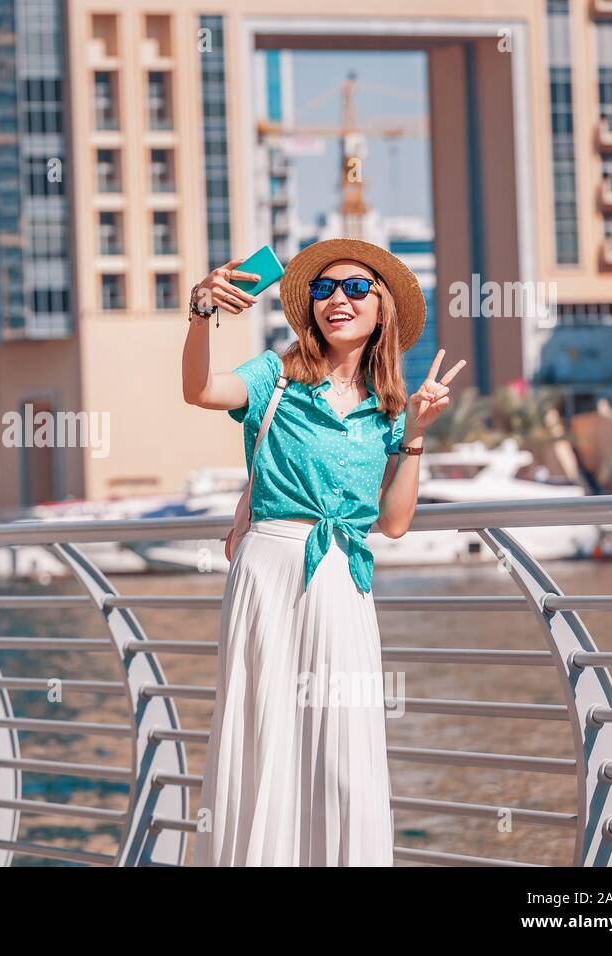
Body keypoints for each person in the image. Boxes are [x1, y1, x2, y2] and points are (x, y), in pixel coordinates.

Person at [181, 238, 464, 866]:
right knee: (263, 735)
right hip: (271, 570)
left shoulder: (386, 408)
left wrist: (415, 436)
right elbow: (199, 390)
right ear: (310, 306)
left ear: (382, 308)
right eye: (324, 288)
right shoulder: (273, 375)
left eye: (357, 288)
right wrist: (201, 313)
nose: (339, 298)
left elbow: (392, 525)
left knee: (344, 747)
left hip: (342, 577)